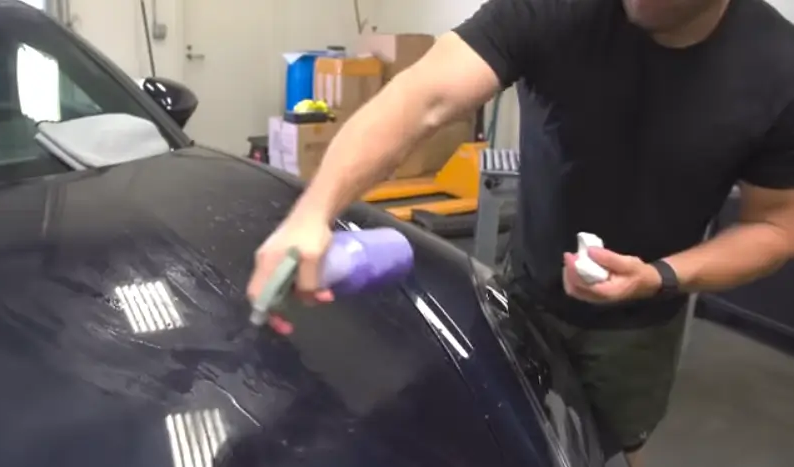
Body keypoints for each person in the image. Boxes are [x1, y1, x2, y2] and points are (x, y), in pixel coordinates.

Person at [246, 0, 794, 465]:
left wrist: (660, 277)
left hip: (642, 321)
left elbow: (776, 222)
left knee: (619, 440)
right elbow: (425, 96)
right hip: (526, 285)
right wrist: (313, 211)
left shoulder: (777, 66)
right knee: (513, 430)